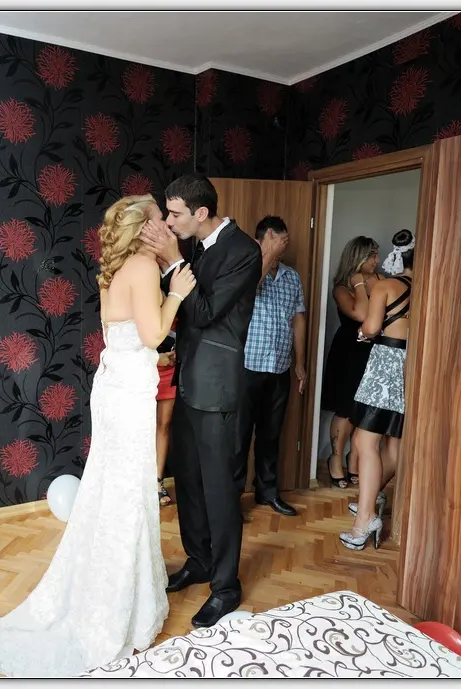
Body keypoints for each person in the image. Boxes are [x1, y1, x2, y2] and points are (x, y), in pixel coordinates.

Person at [0, 195, 197, 677]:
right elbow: (153, 337)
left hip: (114, 385)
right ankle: (115, 606)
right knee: (127, 493)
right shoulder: (143, 267)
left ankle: (112, 590)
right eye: (159, 219)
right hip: (128, 392)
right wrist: (178, 291)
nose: (166, 226)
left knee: (111, 489)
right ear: (142, 228)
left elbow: (127, 334)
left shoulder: (115, 268)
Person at [139, 174, 262, 628]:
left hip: (218, 389)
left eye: (175, 214)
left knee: (219, 490)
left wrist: (172, 261)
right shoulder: (196, 247)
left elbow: (207, 314)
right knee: (188, 482)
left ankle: (226, 587)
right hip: (187, 381)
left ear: (202, 212)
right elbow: (186, 313)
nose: (169, 222)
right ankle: (200, 561)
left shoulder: (244, 251)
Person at [340, 230, 413, 551]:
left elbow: (370, 327)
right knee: (394, 445)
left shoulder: (386, 286)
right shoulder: (427, 288)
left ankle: (365, 519)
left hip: (386, 364)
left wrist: (365, 332)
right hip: (413, 366)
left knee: (364, 441)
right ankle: (371, 501)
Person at [236, 215, 305, 517]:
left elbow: (298, 319)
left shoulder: (292, 277)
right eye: (277, 240)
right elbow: (247, 291)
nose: (282, 247)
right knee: (238, 436)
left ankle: (267, 492)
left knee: (271, 435)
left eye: (284, 242)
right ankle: (233, 498)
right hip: (247, 366)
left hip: (279, 367)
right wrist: (267, 256)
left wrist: (300, 363)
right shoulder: (247, 269)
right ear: (261, 240)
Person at [320, 237, 382, 488]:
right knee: (345, 408)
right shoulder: (342, 288)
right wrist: (359, 284)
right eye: (372, 255)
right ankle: (335, 459)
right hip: (349, 352)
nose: (377, 260)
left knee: (364, 409)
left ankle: (353, 458)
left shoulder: (380, 281)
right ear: (359, 257)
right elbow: (361, 314)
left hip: (374, 351)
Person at [156, 318, 178, 507]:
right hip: (143, 370)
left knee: (163, 426)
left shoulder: (178, 307)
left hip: (170, 371)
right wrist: (156, 358)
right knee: (139, 428)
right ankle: (138, 482)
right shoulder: (140, 304)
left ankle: (158, 482)